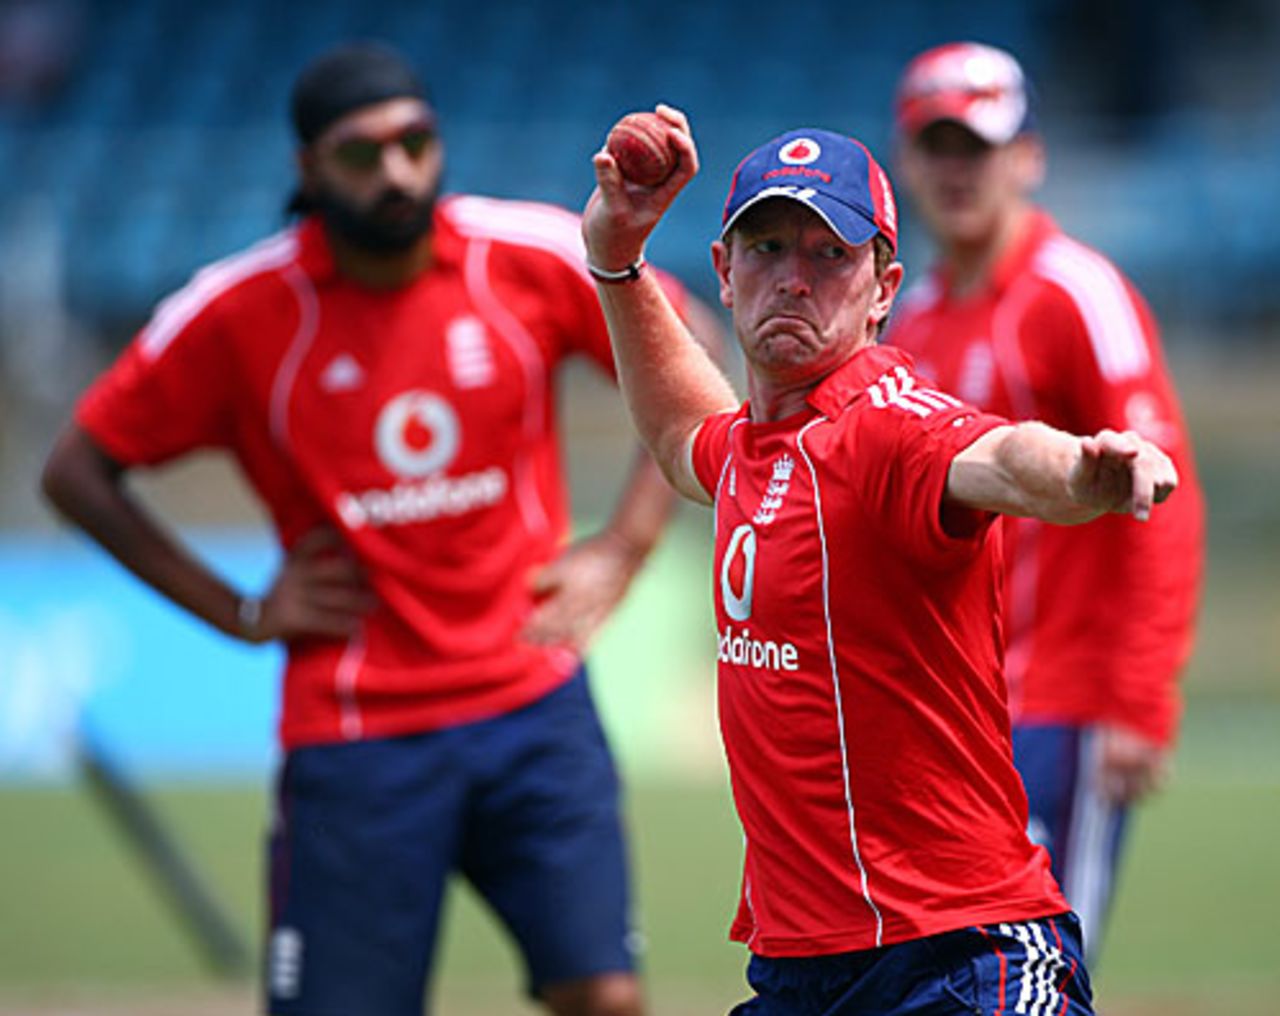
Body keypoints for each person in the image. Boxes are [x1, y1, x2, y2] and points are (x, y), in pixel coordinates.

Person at [40, 42, 721, 1016]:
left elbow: (691, 351)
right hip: (358, 734)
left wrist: (622, 545)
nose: (396, 170)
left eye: (414, 141)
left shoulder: (524, 254)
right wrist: (239, 608)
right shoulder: (237, 312)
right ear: (308, 171)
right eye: (361, 153)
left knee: (606, 996)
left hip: (533, 705)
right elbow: (75, 471)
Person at [581, 105, 1183, 1014]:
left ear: (882, 289)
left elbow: (995, 456)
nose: (795, 278)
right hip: (799, 967)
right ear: (725, 274)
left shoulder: (887, 429)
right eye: (769, 247)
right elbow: (677, 435)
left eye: (831, 257)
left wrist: (1083, 472)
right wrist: (617, 260)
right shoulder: (753, 447)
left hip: (960, 957)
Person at [887, 42, 1205, 962]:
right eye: (935, 147)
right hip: (952, 719)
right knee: (943, 973)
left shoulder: (1078, 294)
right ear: (906, 162)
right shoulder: (913, 317)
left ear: (1027, 155)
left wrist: (1139, 699)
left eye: (976, 147)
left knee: (1042, 969)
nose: (956, 171)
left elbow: (1166, 498)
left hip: (1061, 711)